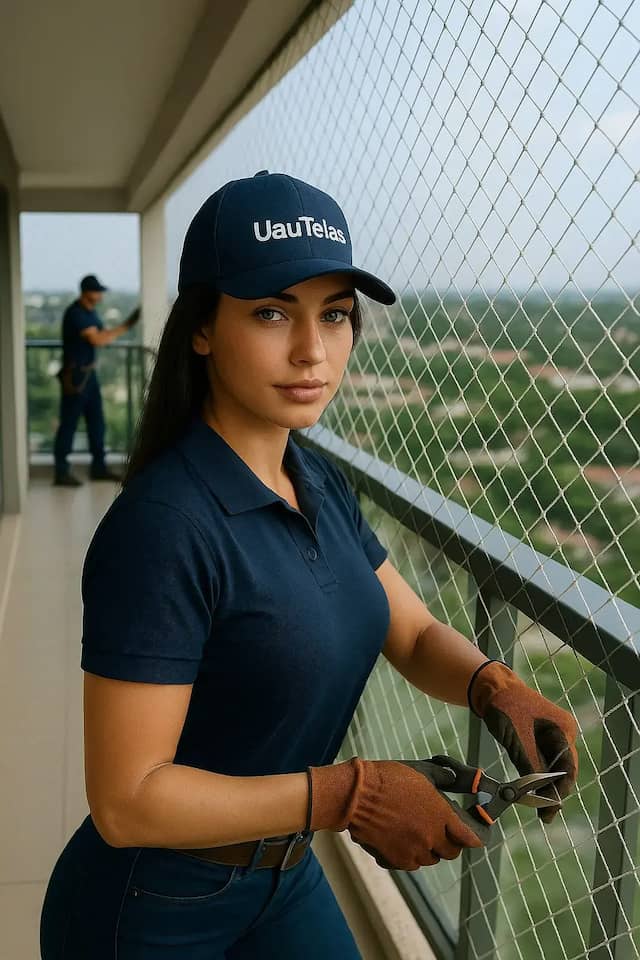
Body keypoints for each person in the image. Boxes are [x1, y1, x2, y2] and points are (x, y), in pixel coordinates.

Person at [39, 171, 579, 959]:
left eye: (333, 315)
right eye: (270, 312)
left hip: (286, 873)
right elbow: (127, 802)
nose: (312, 351)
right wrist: (350, 793)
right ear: (201, 329)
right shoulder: (163, 528)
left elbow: (414, 630)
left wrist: (492, 685)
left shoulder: (315, 476)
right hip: (153, 906)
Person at [52, 273, 141, 487]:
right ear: (87, 292)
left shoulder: (90, 313)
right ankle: (61, 472)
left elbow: (102, 334)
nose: (100, 295)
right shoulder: (76, 314)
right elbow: (97, 339)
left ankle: (98, 467)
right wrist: (127, 325)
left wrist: (118, 329)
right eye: (97, 291)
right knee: (69, 423)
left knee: (97, 423)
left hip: (88, 375)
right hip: (76, 376)